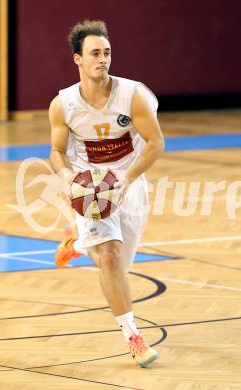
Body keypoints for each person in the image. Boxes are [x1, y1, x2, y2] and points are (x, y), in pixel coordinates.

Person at [49, 20, 164, 368]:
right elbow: (55, 152)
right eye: (95, 53)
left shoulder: (133, 95)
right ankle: (134, 338)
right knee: (111, 259)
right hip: (90, 187)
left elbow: (157, 143)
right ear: (78, 60)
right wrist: (69, 177)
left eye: (107, 52)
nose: (103, 59)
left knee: (118, 270)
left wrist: (127, 178)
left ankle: (80, 243)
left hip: (129, 181)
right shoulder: (63, 104)